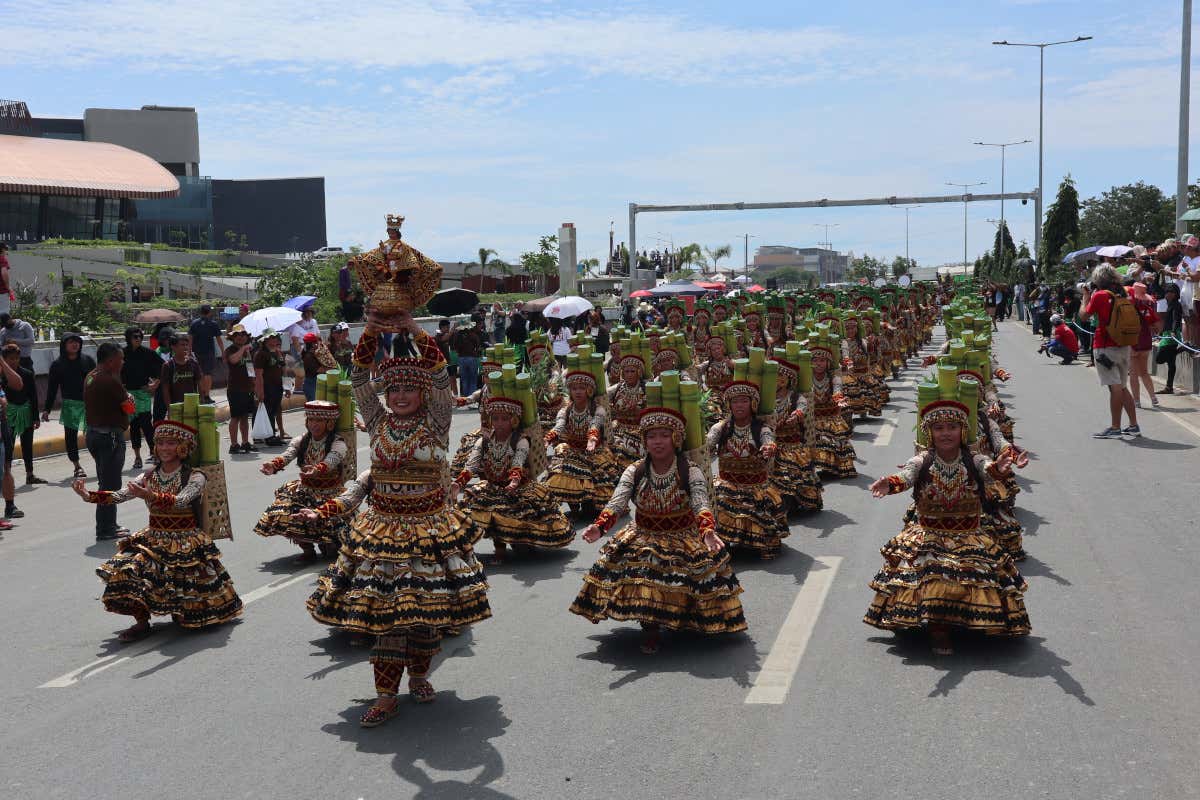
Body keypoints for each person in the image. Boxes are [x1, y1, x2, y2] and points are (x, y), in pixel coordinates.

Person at [299, 312, 490, 728]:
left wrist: (413, 328)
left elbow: (442, 377)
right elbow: (358, 378)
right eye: (395, 389)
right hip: (382, 532)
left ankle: (419, 675)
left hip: (429, 531)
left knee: (424, 616)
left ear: (422, 395)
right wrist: (370, 327)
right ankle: (386, 697)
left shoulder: (437, 423)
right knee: (388, 620)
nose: (400, 395)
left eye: (409, 388)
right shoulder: (380, 421)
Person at [570, 406, 746, 654]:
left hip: (683, 536)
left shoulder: (690, 470)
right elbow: (617, 502)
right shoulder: (635, 470)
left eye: (664, 435)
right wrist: (600, 526)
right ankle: (650, 630)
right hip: (644, 534)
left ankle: (682, 619)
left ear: (675, 438)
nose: (658, 441)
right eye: (651, 436)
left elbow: (700, 502)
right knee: (644, 573)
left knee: (698, 579)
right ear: (644, 441)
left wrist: (707, 531)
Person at [864, 399, 1027, 655]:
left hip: (968, 534)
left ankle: (970, 621)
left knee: (975, 574)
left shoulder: (975, 459)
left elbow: (989, 470)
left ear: (962, 431)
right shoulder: (921, 461)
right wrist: (891, 483)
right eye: (939, 428)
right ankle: (939, 630)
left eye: (952, 427)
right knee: (934, 574)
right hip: (928, 535)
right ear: (930, 433)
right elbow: (906, 477)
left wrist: (998, 469)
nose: (946, 433)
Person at [75, 419, 243, 642]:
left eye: (171, 443)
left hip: (186, 539)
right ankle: (142, 623)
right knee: (126, 570)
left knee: (190, 602)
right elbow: (120, 495)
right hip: (154, 537)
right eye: (161, 443)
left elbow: (182, 501)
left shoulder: (195, 475)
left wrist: (152, 496)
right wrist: (89, 496)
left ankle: (180, 611)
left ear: (183, 447)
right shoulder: (147, 476)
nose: (164, 448)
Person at [449, 395, 573, 563]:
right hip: (492, 487)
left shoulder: (520, 441)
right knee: (485, 510)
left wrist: (514, 480)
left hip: (519, 487)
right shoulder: (483, 442)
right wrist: (458, 483)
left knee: (519, 518)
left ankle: (524, 542)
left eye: (504, 419)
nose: (499, 423)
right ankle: (499, 549)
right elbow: (471, 465)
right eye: (496, 418)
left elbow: (519, 461)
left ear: (513, 420)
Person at [255, 400, 350, 560]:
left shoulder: (337, 443)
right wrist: (274, 464)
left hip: (330, 493)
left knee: (332, 540)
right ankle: (307, 549)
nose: (314, 424)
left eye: (319, 420)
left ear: (330, 423)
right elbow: (289, 454)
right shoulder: (302, 440)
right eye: (311, 420)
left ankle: (330, 545)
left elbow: (332, 460)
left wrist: (317, 470)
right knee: (288, 514)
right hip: (305, 490)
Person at [707, 380, 789, 559]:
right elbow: (706, 444)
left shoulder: (761, 428)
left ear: (752, 404)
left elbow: (769, 440)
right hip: (726, 484)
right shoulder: (721, 428)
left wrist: (769, 448)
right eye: (735, 401)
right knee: (716, 499)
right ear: (729, 405)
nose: (739, 405)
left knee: (759, 506)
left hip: (755, 485)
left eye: (744, 401)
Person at [544, 370, 619, 515]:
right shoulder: (565, 411)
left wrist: (591, 439)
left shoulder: (598, 409)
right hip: (573, 449)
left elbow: (595, 424)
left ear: (589, 390)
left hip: (593, 450)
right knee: (563, 468)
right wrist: (548, 438)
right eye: (574, 388)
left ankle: (589, 503)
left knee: (593, 506)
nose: (578, 392)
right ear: (570, 391)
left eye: (582, 388)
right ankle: (573, 506)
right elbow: (559, 426)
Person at [1081, 264, 1140, 439]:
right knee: (1122, 386)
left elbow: (1084, 316)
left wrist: (1085, 297)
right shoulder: (1125, 293)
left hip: (1105, 346)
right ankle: (1133, 425)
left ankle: (1115, 427)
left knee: (1114, 387)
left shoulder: (1099, 295)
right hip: (1124, 344)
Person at [83, 342, 134, 541]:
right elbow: (129, 408)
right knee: (110, 485)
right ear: (111, 360)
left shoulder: (91, 376)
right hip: (109, 437)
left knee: (105, 481)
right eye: (120, 359)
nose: (123, 362)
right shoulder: (109, 381)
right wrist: (129, 398)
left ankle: (107, 524)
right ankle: (106, 529)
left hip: (95, 435)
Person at [42, 332, 95, 479]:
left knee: (95, 434)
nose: (74, 344)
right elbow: (52, 389)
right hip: (70, 405)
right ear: (64, 345)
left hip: (89, 403)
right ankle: (77, 466)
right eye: (71, 342)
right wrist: (47, 409)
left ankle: (100, 461)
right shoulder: (57, 365)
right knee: (70, 437)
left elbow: (97, 380)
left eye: (77, 341)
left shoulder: (88, 360)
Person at [1, 344, 42, 492]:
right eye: (10, 358)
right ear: (4, 359)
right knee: (8, 445)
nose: (14, 361)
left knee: (27, 444)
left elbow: (33, 396)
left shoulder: (27, 373)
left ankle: (30, 474)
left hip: (26, 411)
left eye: (16, 358)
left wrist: (36, 417)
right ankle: (6, 476)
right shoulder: (2, 375)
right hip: (9, 413)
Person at [121, 327, 161, 470]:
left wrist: (155, 384)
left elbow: (164, 367)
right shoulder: (122, 354)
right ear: (128, 338)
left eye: (139, 336)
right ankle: (137, 457)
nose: (138, 338)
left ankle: (153, 452)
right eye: (134, 336)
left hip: (143, 394)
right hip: (128, 395)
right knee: (134, 426)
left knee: (146, 424)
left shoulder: (148, 353)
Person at [606, 353, 648, 470]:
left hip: (639, 431)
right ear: (622, 373)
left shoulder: (647, 389)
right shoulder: (617, 389)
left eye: (632, 371)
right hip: (619, 430)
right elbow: (602, 396)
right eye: (627, 371)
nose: (629, 374)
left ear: (639, 373)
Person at [224, 324, 258, 454]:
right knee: (235, 417)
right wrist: (243, 349)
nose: (241, 337)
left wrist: (254, 385)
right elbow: (233, 360)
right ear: (233, 337)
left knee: (244, 417)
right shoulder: (230, 350)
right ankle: (234, 444)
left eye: (243, 335)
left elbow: (251, 369)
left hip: (247, 388)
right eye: (238, 335)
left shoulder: (248, 351)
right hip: (235, 388)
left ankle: (245, 442)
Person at [1127, 282, 1161, 409]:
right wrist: (1149, 326)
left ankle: (1137, 401)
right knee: (1145, 372)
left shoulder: (1127, 310)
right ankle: (1153, 398)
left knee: (1133, 374)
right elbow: (1158, 327)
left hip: (1132, 342)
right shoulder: (1148, 309)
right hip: (1145, 343)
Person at [253, 330, 289, 446]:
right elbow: (258, 374)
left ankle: (272, 434)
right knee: (268, 411)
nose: (275, 339)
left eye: (276, 337)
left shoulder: (276, 353)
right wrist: (260, 391)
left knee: (273, 410)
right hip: (267, 386)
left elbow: (283, 369)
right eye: (271, 337)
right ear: (265, 340)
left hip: (277, 385)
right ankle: (269, 436)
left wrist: (287, 387)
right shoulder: (261, 354)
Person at [188, 304, 224, 404]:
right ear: (209, 312)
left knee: (199, 374)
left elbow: (190, 338)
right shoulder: (213, 324)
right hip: (209, 353)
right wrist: (223, 352)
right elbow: (219, 340)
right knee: (208, 374)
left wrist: (189, 351)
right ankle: (207, 395)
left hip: (196, 353)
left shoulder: (194, 323)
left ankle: (200, 395)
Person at [1157, 283, 1185, 394]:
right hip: (1167, 333)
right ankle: (1169, 387)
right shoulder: (1170, 304)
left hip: (1171, 335)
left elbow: (1175, 319)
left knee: (1159, 358)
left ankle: (1183, 348)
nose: (1167, 294)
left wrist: (1173, 331)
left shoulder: (1176, 305)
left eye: (1170, 292)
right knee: (1171, 363)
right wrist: (1161, 331)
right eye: (1167, 292)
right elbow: (1168, 320)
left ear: (1175, 294)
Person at [453, 315, 484, 397]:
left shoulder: (457, 335)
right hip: (472, 358)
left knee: (464, 379)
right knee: (473, 379)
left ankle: (465, 398)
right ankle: (471, 398)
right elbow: (477, 346)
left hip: (461, 358)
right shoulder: (473, 335)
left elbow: (455, 347)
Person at [300, 332, 324, 402]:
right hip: (312, 384)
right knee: (314, 407)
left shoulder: (312, 354)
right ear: (313, 344)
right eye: (316, 342)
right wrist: (331, 369)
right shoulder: (308, 356)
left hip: (314, 383)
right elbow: (319, 370)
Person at [0, 243, 10, 315]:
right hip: (2, 291)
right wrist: (8, 287)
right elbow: (4, 273)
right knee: (4, 313)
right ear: (3, 249)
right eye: (6, 250)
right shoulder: (2, 259)